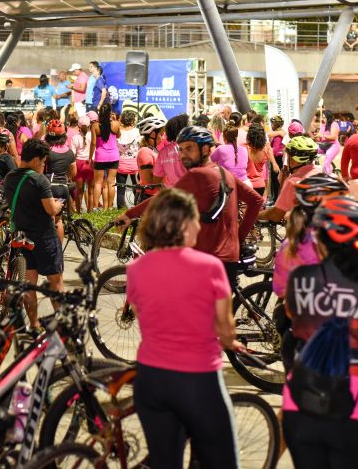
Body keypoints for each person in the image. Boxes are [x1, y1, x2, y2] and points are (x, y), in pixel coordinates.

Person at [283, 196, 358, 469]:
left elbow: (293, 317)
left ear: (319, 239)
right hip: (357, 405)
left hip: (300, 400)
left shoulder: (299, 278)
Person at [128, 189, 241, 469]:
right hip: (197, 380)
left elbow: (148, 314)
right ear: (181, 225)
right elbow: (225, 329)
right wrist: (231, 341)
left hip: (150, 380)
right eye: (195, 220)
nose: (200, 226)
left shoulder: (136, 269)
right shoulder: (211, 267)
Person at [118, 126, 264, 287]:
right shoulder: (224, 173)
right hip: (229, 256)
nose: (183, 155)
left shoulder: (198, 175)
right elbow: (256, 201)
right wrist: (238, 237)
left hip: (208, 259)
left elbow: (164, 198)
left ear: (206, 149)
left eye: (189, 149)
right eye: (181, 150)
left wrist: (129, 214)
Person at [3, 139, 65, 329]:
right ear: (37, 159)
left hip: (23, 238)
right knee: (56, 282)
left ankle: (34, 324)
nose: (44, 164)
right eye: (44, 161)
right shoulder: (39, 180)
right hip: (44, 237)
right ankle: (62, 323)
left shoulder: (10, 178)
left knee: (30, 284)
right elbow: (51, 210)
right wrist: (59, 204)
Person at [45, 120, 76, 240]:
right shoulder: (69, 152)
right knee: (58, 221)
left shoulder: (47, 151)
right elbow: (73, 172)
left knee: (48, 220)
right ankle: (58, 252)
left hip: (49, 187)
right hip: (63, 188)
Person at [89, 104, 120, 210]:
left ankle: (95, 207)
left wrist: (90, 157)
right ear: (110, 112)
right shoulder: (116, 124)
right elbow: (119, 135)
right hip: (113, 156)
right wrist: (115, 120)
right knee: (111, 182)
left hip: (100, 156)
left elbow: (93, 143)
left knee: (98, 183)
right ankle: (110, 207)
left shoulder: (95, 125)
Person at [153, 114, 189, 188]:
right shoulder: (191, 148)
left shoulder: (163, 152)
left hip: (172, 194)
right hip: (190, 194)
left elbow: (156, 180)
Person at [135, 116, 166, 199]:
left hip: (157, 195)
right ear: (153, 134)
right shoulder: (145, 152)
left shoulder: (153, 151)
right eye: (161, 134)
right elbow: (149, 180)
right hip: (149, 197)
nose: (163, 138)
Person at [245, 123, 278, 197]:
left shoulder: (244, 149)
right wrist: (274, 163)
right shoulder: (266, 150)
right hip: (260, 185)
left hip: (247, 185)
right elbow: (269, 149)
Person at [116, 111, 140, 209]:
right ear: (132, 120)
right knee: (137, 187)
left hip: (121, 163)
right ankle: (138, 206)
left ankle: (120, 208)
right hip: (134, 164)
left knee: (121, 188)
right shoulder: (136, 131)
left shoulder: (118, 132)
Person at [70, 115, 93, 212]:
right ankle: (90, 211)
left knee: (79, 190)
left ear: (78, 126)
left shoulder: (75, 137)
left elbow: (73, 154)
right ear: (89, 126)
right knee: (91, 191)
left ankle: (78, 211)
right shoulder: (92, 136)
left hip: (79, 164)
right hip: (90, 163)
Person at [267, 116, 286, 203]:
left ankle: (276, 200)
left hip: (277, 159)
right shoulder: (279, 133)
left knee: (275, 180)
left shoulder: (278, 136)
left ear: (274, 124)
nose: (271, 125)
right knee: (275, 180)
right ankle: (275, 199)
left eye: (272, 123)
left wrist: (268, 152)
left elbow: (275, 150)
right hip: (278, 159)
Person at [318, 110, 340, 175]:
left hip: (333, 145)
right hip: (324, 145)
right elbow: (320, 137)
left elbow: (333, 137)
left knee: (326, 162)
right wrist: (317, 136)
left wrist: (322, 135)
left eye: (324, 117)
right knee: (312, 152)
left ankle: (328, 177)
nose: (322, 119)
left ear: (329, 117)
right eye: (322, 117)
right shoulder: (323, 125)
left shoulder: (334, 124)